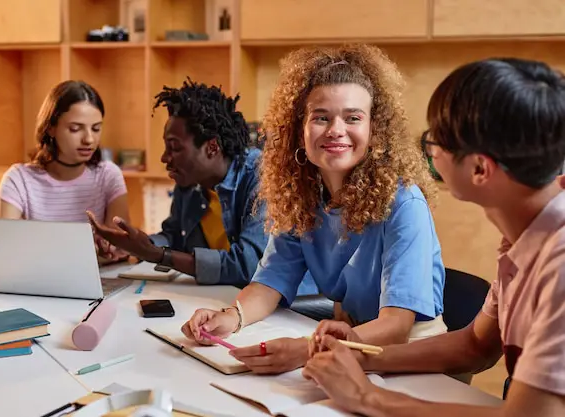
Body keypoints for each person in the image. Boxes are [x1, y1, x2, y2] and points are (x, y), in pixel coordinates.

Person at [304, 58, 565, 417]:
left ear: (478, 169)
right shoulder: (529, 234)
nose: (429, 152)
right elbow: (475, 345)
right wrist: (356, 357)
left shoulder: (559, 263)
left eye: (435, 141)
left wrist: (367, 398)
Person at [181, 44, 447, 375]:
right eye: (321, 117)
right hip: (345, 344)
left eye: (353, 118)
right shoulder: (302, 198)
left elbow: (396, 325)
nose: (336, 129)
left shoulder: (405, 204)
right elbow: (270, 284)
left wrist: (309, 350)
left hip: (411, 355)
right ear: (299, 130)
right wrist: (231, 317)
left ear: (374, 130)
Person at [89, 79, 317, 294]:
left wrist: (159, 255)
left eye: (175, 148)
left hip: (287, 307)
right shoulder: (190, 182)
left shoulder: (263, 177)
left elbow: (251, 267)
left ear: (212, 147)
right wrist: (136, 245)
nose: (164, 158)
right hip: (224, 297)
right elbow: (174, 237)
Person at [0, 80, 129, 294]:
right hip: (35, 289)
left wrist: (114, 249)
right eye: (75, 129)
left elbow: (121, 248)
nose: (89, 139)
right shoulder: (18, 179)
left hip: (95, 289)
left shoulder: (108, 175)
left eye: (96, 128)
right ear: (51, 127)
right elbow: (2, 254)